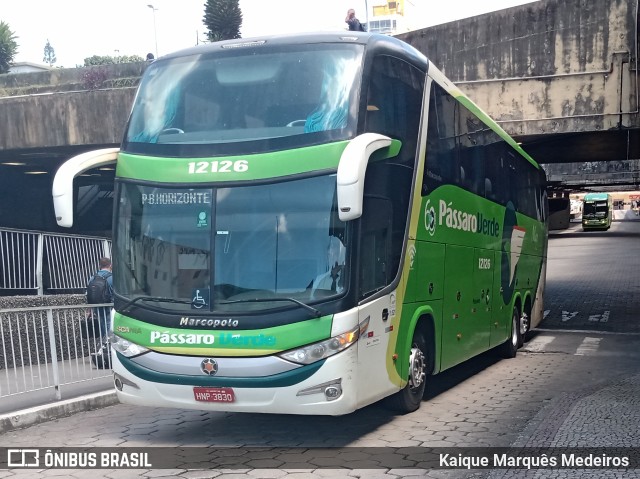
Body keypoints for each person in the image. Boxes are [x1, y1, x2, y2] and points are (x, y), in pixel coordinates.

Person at [87, 257, 114, 339]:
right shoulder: (111, 277)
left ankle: (104, 345)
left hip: (97, 307)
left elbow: (88, 293)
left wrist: (90, 309)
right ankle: (109, 345)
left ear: (100, 266)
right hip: (109, 306)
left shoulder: (93, 278)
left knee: (102, 325)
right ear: (110, 265)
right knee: (110, 326)